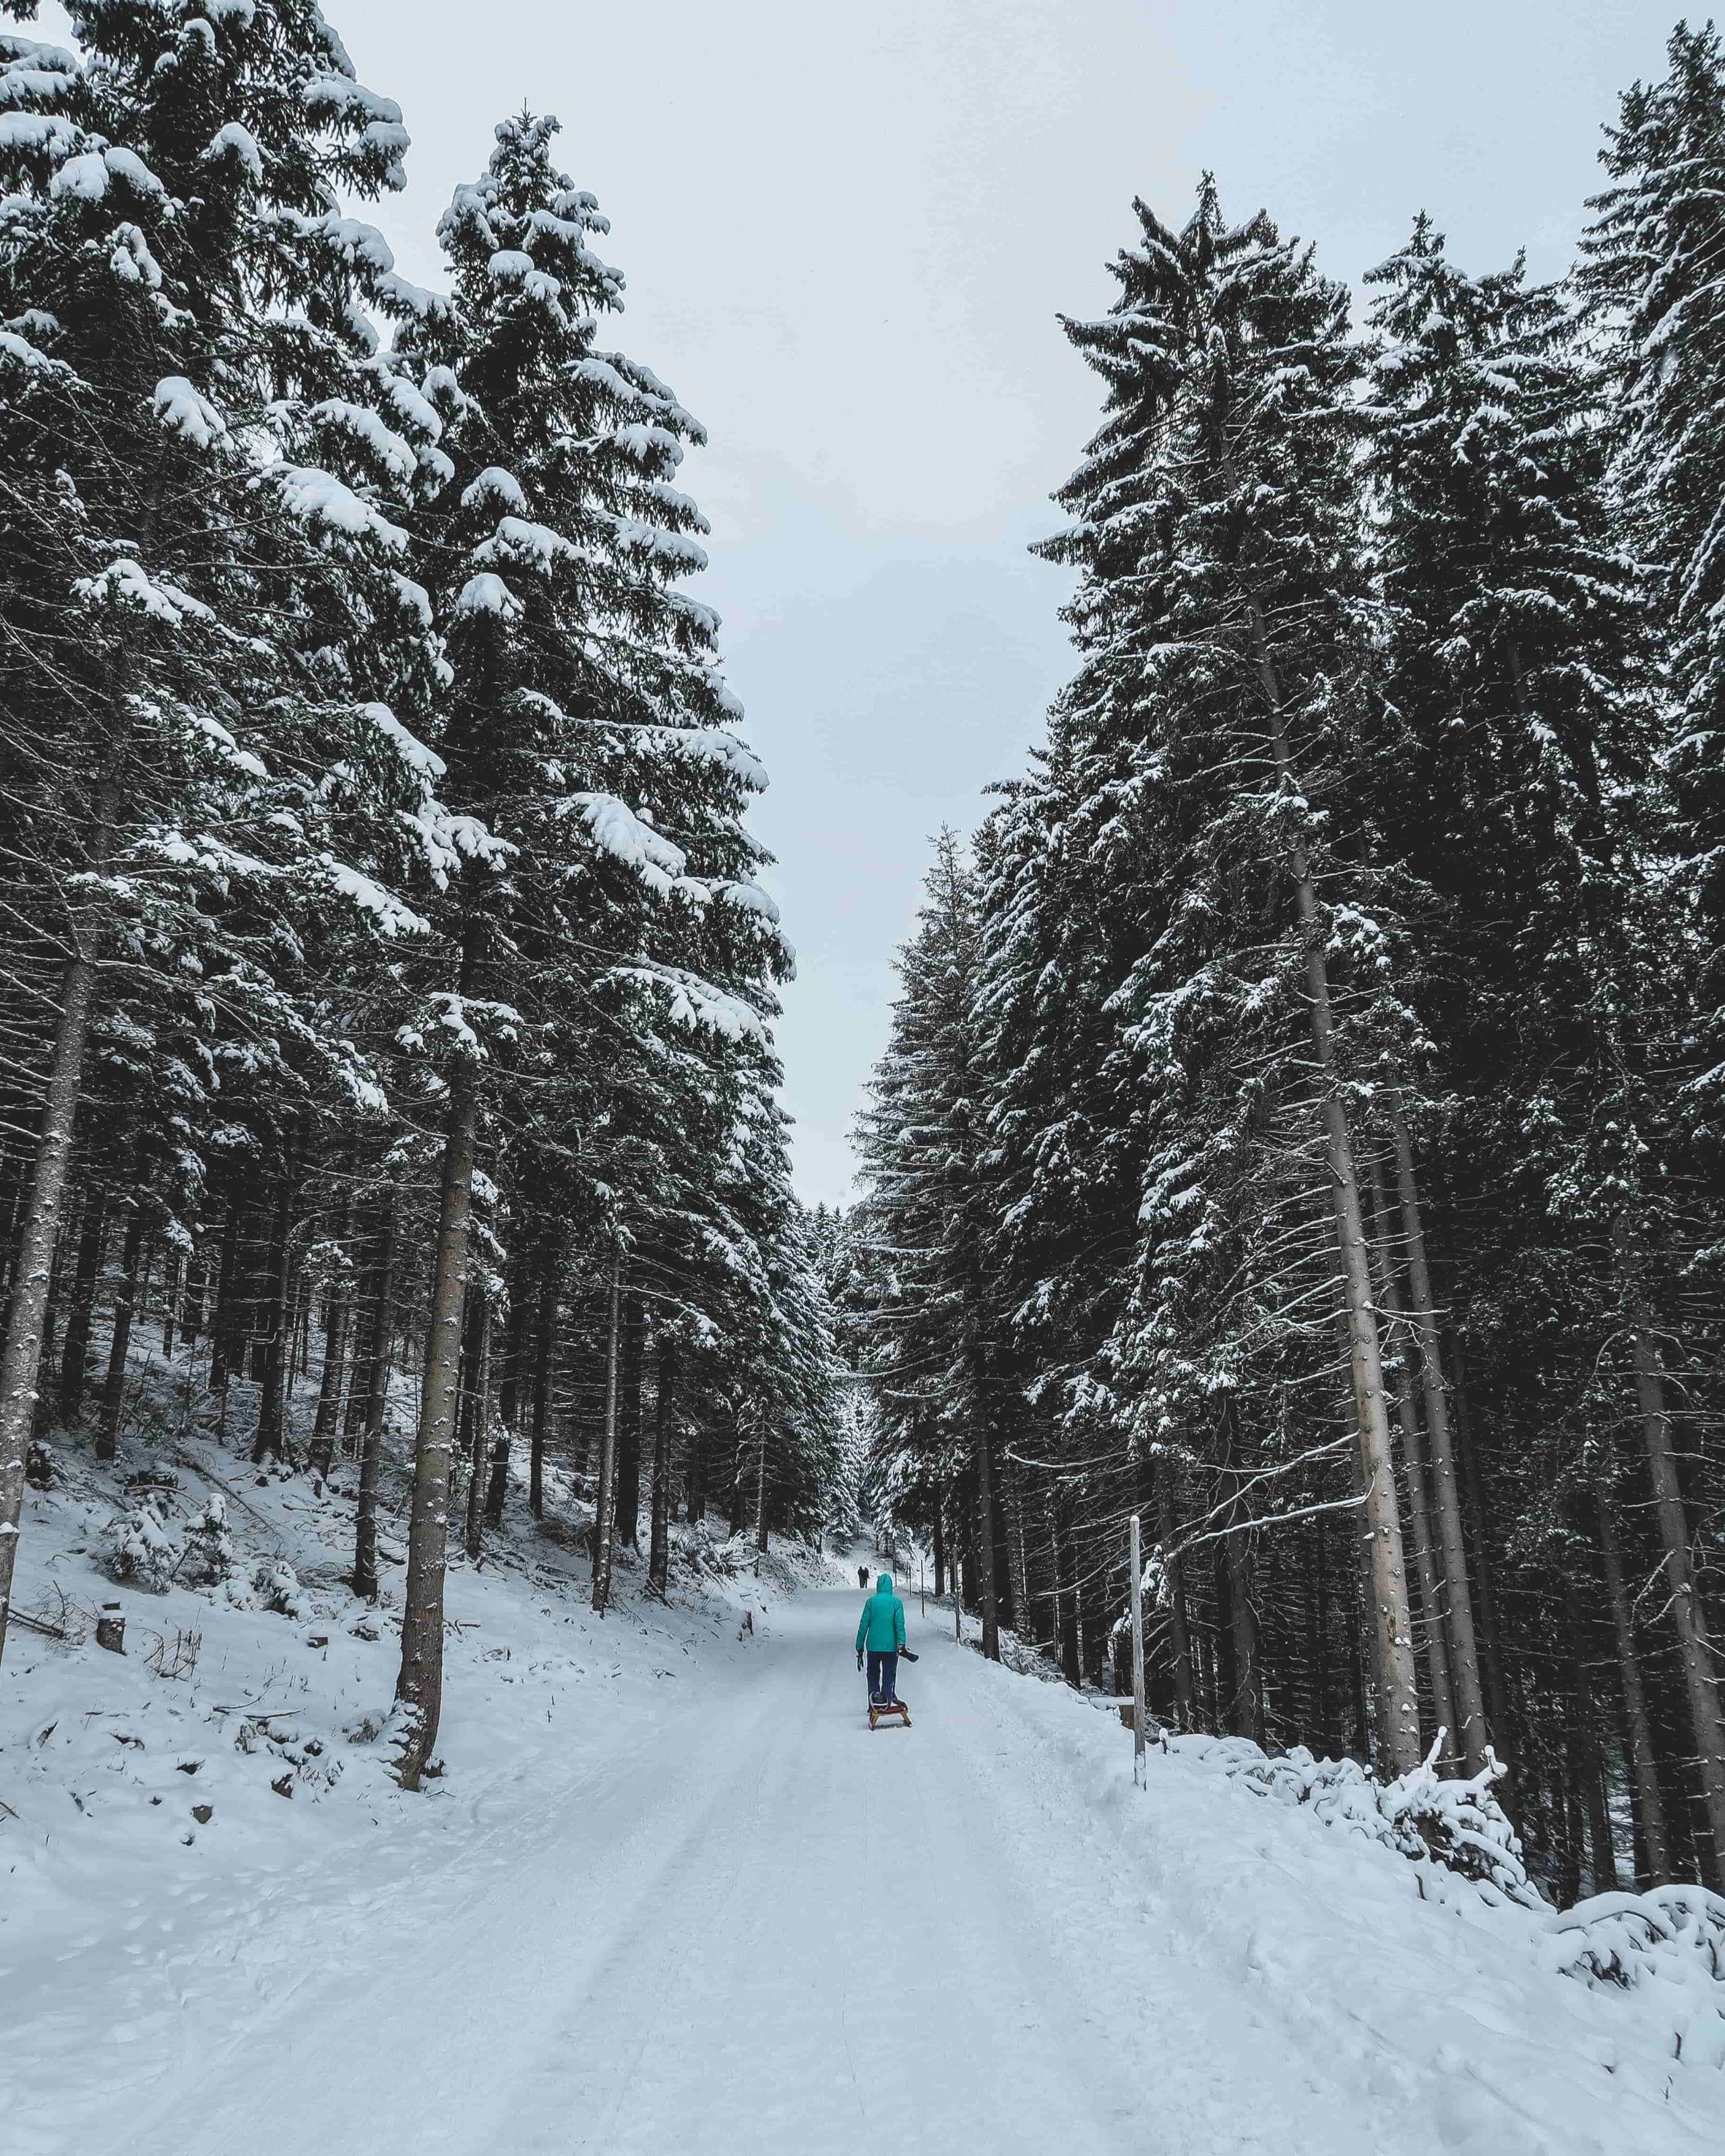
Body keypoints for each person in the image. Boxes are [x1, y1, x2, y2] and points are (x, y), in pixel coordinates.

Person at [855, 1569, 907, 1704]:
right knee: (889, 1674)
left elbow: (863, 1626)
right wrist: (901, 1643)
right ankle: (886, 1699)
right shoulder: (897, 1603)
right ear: (890, 1587)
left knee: (873, 1674)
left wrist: (859, 1647)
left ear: (879, 1586)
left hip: (873, 1647)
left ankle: (874, 1699)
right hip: (891, 1648)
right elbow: (899, 1625)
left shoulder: (871, 1602)